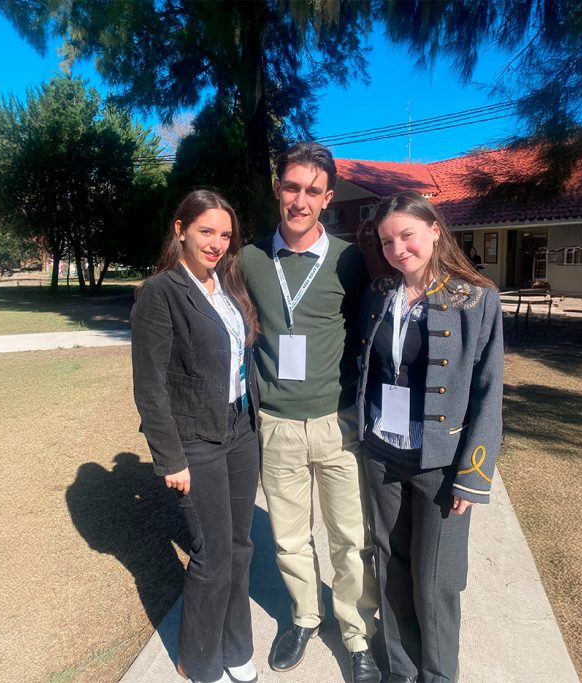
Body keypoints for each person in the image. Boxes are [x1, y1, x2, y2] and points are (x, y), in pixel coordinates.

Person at [241, 142, 381, 682]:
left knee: (350, 537)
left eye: (312, 191)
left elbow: (369, 334)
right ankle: (303, 615)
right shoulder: (250, 258)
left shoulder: (350, 259)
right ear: (278, 189)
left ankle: (356, 633)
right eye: (291, 187)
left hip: (337, 421)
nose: (300, 200)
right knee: (289, 536)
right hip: (275, 423)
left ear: (328, 198)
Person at [357, 191, 504, 683]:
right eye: (388, 241)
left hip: (440, 461)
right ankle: (400, 668)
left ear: (434, 230)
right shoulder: (380, 293)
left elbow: (488, 390)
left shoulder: (476, 297)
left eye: (407, 235)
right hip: (382, 453)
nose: (398, 249)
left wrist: (473, 476)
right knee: (390, 565)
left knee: (436, 579)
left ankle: (438, 675)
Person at [131, 190, 262, 683]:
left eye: (225, 235)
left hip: (240, 429)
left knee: (242, 545)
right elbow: (150, 384)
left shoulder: (227, 287)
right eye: (207, 231)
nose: (217, 244)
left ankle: (236, 646)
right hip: (195, 440)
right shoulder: (160, 293)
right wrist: (170, 458)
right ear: (180, 229)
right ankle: (198, 662)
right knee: (212, 552)